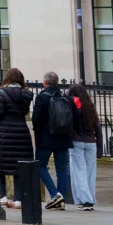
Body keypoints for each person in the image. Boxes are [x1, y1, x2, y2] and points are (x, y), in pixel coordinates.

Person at [29, 71, 74, 209]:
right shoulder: (66, 98)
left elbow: (36, 120)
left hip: (45, 139)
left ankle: (55, 195)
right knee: (62, 169)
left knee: (40, 166)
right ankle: (61, 199)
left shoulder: (42, 97)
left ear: (45, 83)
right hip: (63, 138)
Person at [0, 68, 35, 210]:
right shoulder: (27, 94)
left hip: (4, 133)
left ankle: (2, 196)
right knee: (19, 166)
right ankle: (18, 200)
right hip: (22, 132)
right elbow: (25, 112)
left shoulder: (1, 93)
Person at [67, 84, 101, 210]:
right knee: (90, 173)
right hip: (91, 142)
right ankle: (89, 198)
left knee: (78, 172)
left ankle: (85, 200)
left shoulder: (73, 106)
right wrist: (100, 148)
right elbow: (97, 127)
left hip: (77, 141)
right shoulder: (90, 107)